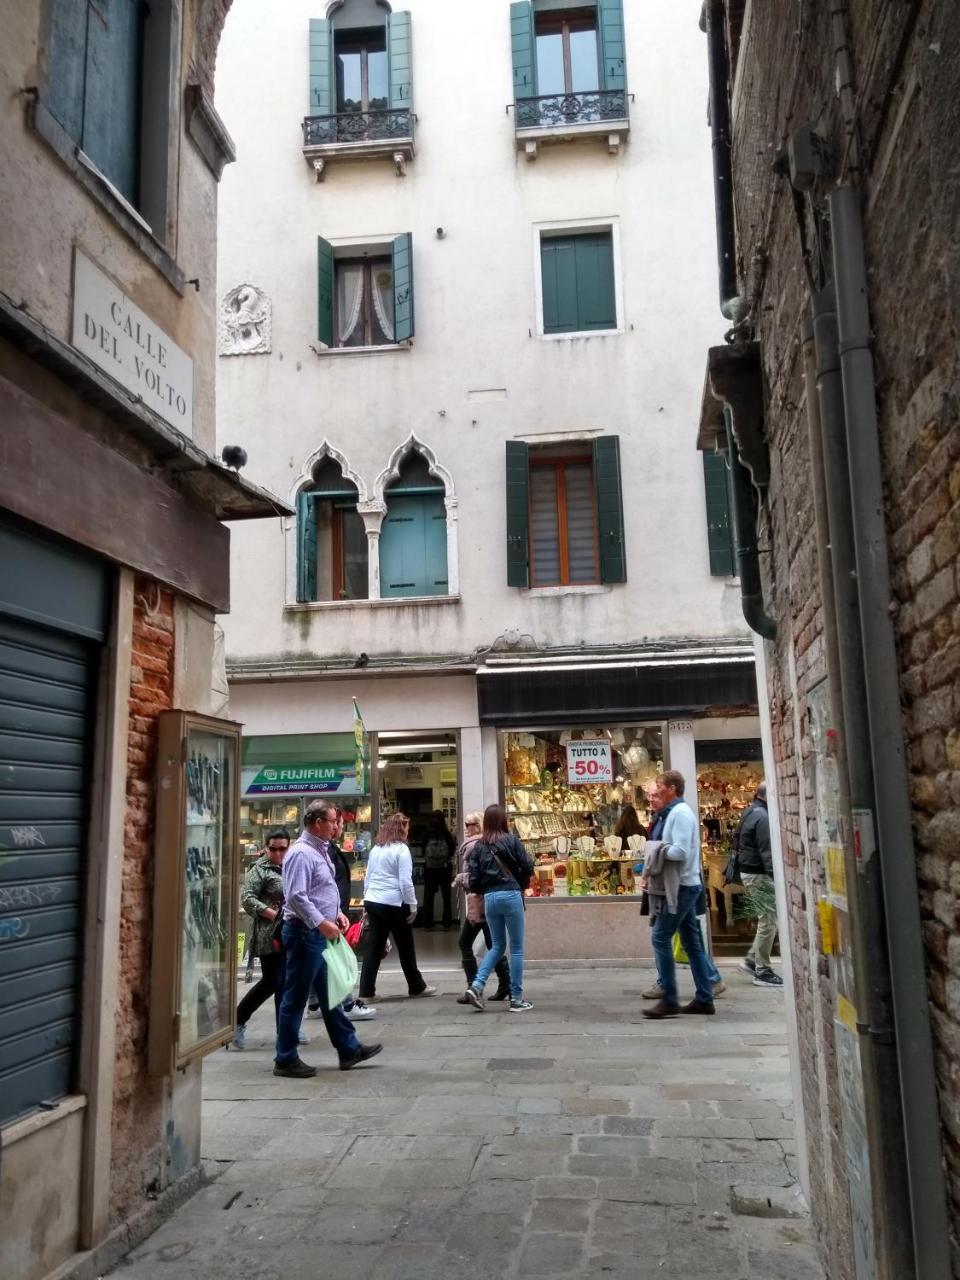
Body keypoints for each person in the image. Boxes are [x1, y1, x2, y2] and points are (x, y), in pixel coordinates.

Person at [274, 801, 382, 1077]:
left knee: (331, 993)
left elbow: (321, 889)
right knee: (295, 997)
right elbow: (297, 896)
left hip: (316, 931)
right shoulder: (301, 853)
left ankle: (348, 1048)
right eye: (334, 821)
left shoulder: (319, 850)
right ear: (317, 822)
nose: (337, 826)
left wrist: (335, 914)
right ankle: (285, 1058)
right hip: (304, 933)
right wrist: (321, 922)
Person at [642, 770, 717, 1019]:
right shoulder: (674, 813)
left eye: (660, 786)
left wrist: (655, 850)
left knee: (660, 936)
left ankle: (670, 998)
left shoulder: (681, 814)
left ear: (672, 788)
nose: (656, 791)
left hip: (683, 886)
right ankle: (704, 998)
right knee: (692, 943)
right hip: (684, 884)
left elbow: (681, 852)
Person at [233, 830, 305, 1050]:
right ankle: (237, 1020)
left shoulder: (293, 865)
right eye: (273, 848)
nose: (277, 853)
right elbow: (247, 898)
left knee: (285, 982)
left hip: (291, 931)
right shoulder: (260, 870)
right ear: (265, 847)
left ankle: (284, 1029)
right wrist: (270, 913)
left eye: (282, 848)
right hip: (269, 935)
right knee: (272, 981)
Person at [463, 804, 535, 1013]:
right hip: (511, 895)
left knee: (496, 946)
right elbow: (528, 866)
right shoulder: (511, 840)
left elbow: (474, 881)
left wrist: (486, 888)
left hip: (491, 898)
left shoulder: (479, 846)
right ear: (503, 820)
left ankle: (476, 985)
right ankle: (517, 998)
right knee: (517, 949)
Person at [307, 808, 377, 1022]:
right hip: (323, 917)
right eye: (336, 823)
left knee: (320, 964)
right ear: (322, 823)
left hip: (330, 913)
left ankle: (315, 1005)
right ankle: (346, 1005)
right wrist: (326, 917)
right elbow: (302, 893)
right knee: (336, 962)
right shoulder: (318, 850)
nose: (339, 828)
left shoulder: (327, 848)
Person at [358, 813, 437, 1001]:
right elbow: (405, 881)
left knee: (374, 948)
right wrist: (413, 905)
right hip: (393, 902)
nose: (408, 831)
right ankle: (416, 986)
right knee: (405, 946)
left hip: (373, 901)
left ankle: (366, 991)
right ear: (401, 829)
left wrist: (365, 900)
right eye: (407, 827)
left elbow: (368, 877)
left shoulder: (377, 848)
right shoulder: (401, 850)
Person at [455, 811, 510, 1004]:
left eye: (468, 823)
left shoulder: (472, 846)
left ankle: (474, 986)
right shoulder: (489, 842)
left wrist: (461, 879)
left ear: (478, 825)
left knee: (468, 943)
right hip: (487, 899)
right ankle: (505, 984)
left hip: (479, 901)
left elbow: (474, 876)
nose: (465, 827)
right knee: (491, 943)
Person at [735, 783, 783, 987]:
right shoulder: (763, 817)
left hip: (749, 871)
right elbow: (767, 852)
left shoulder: (750, 812)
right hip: (758, 873)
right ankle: (762, 970)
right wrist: (776, 877)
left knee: (767, 917)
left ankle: (753, 959)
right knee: (768, 919)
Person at [421, 810, 456, 930]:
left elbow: (422, 850)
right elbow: (451, 850)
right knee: (446, 897)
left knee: (428, 896)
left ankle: (428, 923)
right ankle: (447, 923)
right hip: (445, 868)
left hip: (430, 868)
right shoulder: (446, 833)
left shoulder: (427, 833)